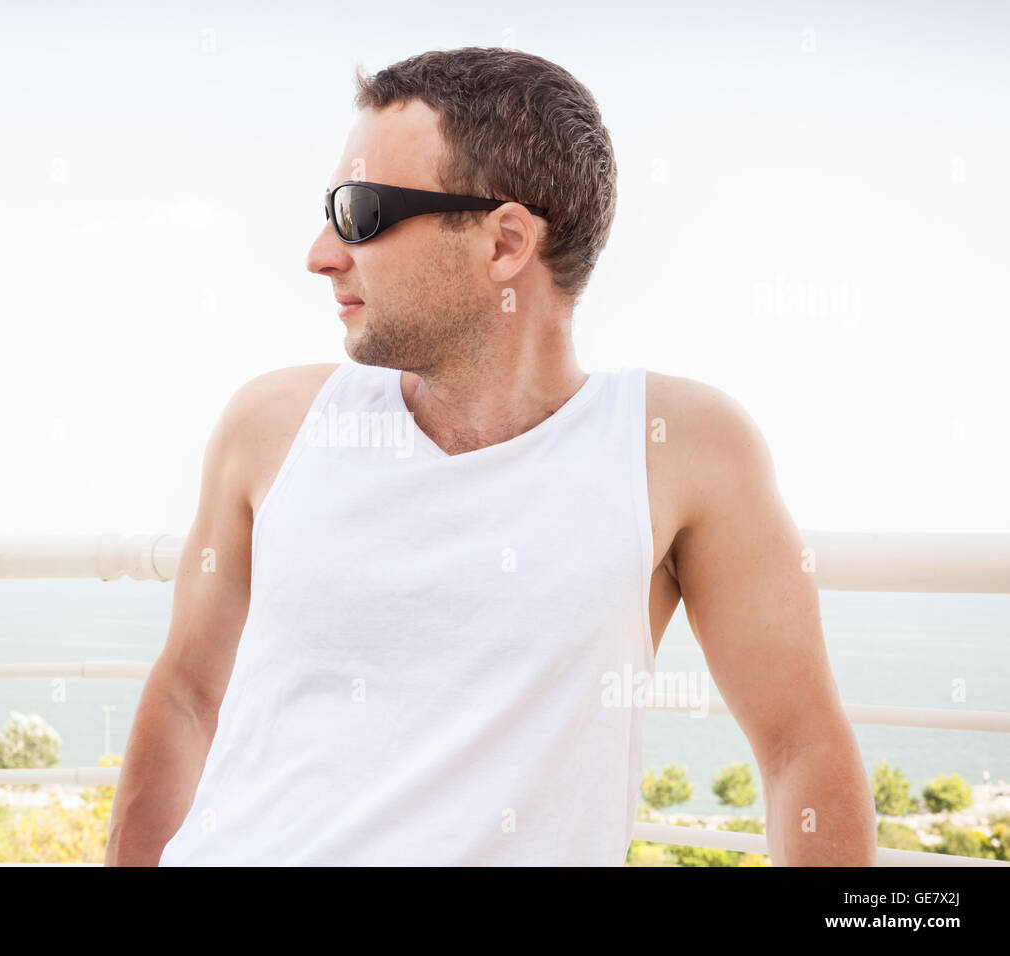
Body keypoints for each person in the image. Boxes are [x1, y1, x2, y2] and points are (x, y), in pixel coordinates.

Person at [106, 47, 875, 866]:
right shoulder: (273, 424)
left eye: (359, 212)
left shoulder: (680, 449)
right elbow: (187, 699)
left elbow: (801, 751)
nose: (322, 253)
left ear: (506, 243)